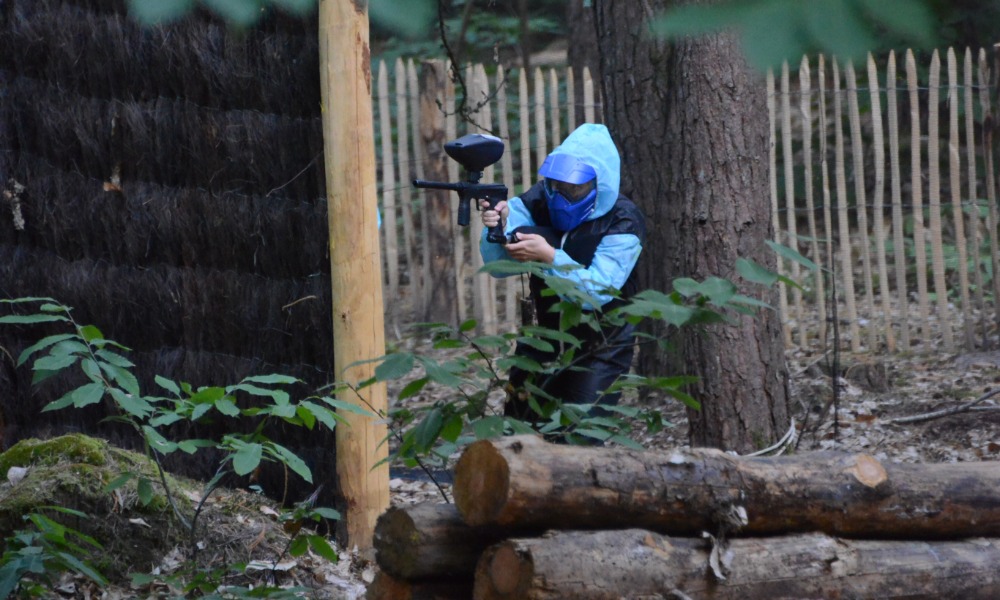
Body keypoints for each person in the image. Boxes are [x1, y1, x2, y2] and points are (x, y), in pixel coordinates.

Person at [479, 123, 646, 424]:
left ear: (598, 184)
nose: (560, 195)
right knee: (519, 431)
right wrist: (498, 226)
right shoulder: (538, 198)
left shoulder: (623, 221)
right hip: (543, 339)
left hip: (600, 349)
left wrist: (550, 256)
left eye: (573, 188)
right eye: (556, 185)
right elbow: (497, 266)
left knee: (579, 435)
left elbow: (598, 292)